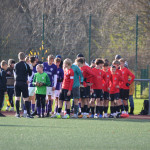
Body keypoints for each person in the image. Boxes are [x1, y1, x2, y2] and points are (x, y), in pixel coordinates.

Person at [14, 52, 33, 118]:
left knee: (17, 98)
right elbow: (30, 74)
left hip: (17, 83)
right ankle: (28, 114)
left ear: (19, 57)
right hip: (24, 83)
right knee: (26, 99)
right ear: (24, 58)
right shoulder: (26, 65)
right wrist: (31, 69)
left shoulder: (16, 65)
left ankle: (17, 114)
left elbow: (15, 74)